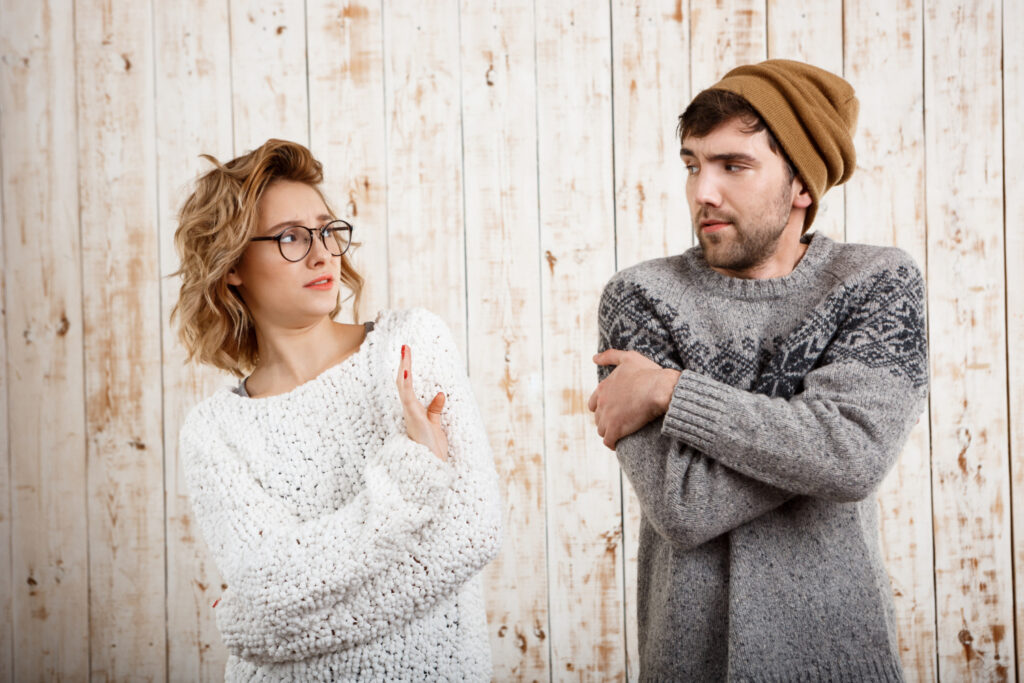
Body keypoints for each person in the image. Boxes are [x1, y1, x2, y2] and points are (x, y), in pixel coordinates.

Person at [588, 60, 927, 681]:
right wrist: (814, 436)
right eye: (693, 164)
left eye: (733, 166)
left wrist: (670, 390)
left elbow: (854, 458)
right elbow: (682, 503)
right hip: (692, 664)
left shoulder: (875, 282)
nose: (702, 192)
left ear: (802, 184)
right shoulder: (640, 297)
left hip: (840, 659)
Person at [172, 139, 501, 681]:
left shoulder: (409, 345)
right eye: (291, 238)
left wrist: (258, 630)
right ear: (231, 265)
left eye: (327, 230)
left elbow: (470, 533)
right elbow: (270, 584)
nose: (324, 253)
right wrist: (409, 477)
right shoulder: (214, 431)